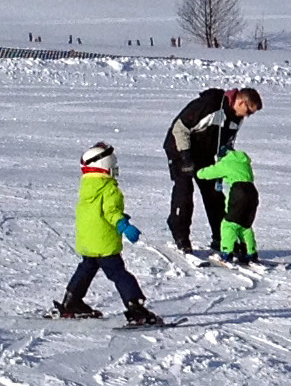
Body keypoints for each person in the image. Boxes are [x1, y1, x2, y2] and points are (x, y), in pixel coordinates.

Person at [56, 143, 164, 324]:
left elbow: (96, 212)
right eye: (113, 168)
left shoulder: (87, 188)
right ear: (106, 167)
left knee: (86, 269)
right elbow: (111, 212)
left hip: (87, 242)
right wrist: (124, 225)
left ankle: (71, 301)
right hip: (104, 243)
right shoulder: (108, 189)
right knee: (119, 274)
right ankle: (136, 309)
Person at [163, 86, 260, 254]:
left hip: (205, 153)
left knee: (214, 194)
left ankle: (222, 237)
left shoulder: (237, 118)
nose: (247, 116)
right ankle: (181, 236)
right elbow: (180, 129)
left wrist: (225, 165)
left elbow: (226, 144)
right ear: (240, 101)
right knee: (184, 191)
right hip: (179, 148)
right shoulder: (209, 105)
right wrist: (186, 157)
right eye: (248, 111)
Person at [195, 145, 259, 265]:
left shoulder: (226, 163)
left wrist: (198, 172)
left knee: (228, 224)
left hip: (239, 192)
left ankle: (226, 253)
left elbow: (208, 173)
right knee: (244, 225)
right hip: (252, 192)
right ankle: (251, 253)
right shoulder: (244, 161)